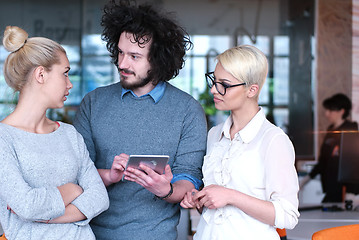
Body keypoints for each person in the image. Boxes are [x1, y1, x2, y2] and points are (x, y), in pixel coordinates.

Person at [72, 1, 207, 239]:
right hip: (89, 235)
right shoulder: (93, 103)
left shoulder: (188, 111)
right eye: (121, 53)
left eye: (134, 56)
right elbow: (77, 174)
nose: (122, 64)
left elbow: (189, 177)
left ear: (158, 60)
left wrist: (166, 190)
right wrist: (110, 176)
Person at [0, 26, 109, 240]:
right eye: (65, 74)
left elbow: (99, 198)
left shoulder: (69, 134)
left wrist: (49, 216)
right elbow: (28, 206)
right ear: (41, 74)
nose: (69, 84)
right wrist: (73, 189)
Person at [180, 45, 300, 240]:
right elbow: (217, 211)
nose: (213, 90)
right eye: (214, 81)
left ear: (252, 90)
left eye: (224, 85)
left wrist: (230, 196)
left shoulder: (273, 140)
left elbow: (288, 215)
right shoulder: (214, 135)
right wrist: (200, 199)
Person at [300, 93, 359, 202]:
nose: (327, 114)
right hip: (331, 188)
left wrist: (352, 191)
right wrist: (306, 180)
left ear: (342, 111)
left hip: (346, 191)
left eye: (330, 111)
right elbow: (323, 161)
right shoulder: (331, 130)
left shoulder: (351, 130)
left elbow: (353, 163)